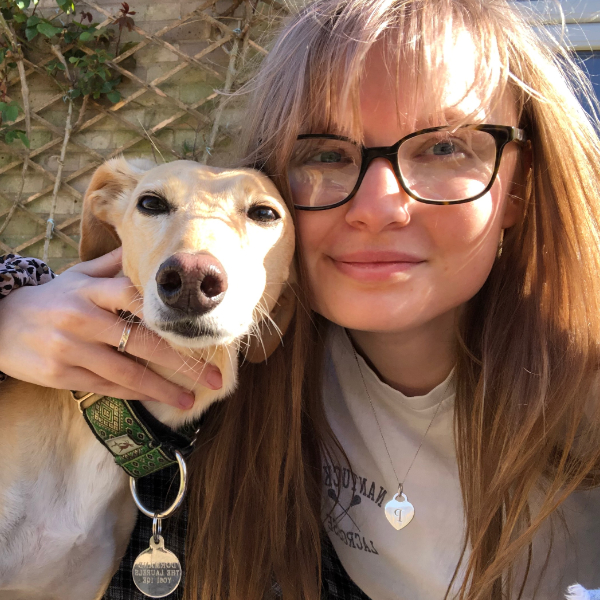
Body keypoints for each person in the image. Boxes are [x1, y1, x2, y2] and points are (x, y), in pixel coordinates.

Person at [1, 0, 600, 599]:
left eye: (445, 147)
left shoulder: (583, 388)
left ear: (519, 185)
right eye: (326, 153)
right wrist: (9, 307)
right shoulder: (239, 387)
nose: (378, 208)